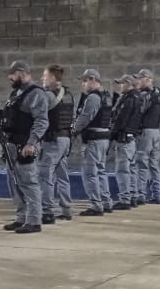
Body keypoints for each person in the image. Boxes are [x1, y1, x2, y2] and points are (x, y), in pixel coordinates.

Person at [1, 60, 48, 234]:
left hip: (25, 145)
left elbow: (41, 121)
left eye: (12, 74)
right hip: (12, 145)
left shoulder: (36, 93)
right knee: (14, 183)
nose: (9, 77)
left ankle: (34, 221)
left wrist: (31, 143)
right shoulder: (16, 93)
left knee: (29, 183)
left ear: (21, 72)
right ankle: (21, 218)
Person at [73, 69, 112, 217]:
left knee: (90, 173)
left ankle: (96, 206)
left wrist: (73, 130)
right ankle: (106, 203)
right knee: (101, 171)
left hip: (94, 140)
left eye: (85, 81)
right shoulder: (106, 96)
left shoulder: (93, 97)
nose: (83, 84)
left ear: (93, 79)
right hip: (104, 138)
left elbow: (85, 117)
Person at [40, 65, 75, 224]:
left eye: (45, 75)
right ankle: (66, 210)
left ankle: (47, 211)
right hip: (66, 139)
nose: (42, 78)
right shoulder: (68, 95)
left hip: (53, 140)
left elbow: (38, 116)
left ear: (53, 78)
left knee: (46, 175)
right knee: (62, 176)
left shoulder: (48, 95)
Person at [110, 74, 141, 210]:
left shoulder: (128, 99)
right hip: (132, 138)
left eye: (122, 83)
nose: (120, 86)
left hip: (123, 138)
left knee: (122, 170)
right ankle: (133, 196)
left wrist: (111, 135)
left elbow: (121, 120)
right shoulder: (138, 98)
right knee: (132, 169)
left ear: (129, 84)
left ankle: (125, 199)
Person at [134, 68, 160, 205]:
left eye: (140, 79)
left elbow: (139, 112)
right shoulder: (158, 94)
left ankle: (141, 195)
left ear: (148, 80)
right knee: (154, 165)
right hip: (156, 132)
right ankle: (157, 194)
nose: (137, 81)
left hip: (146, 132)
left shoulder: (145, 96)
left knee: (142, 164)